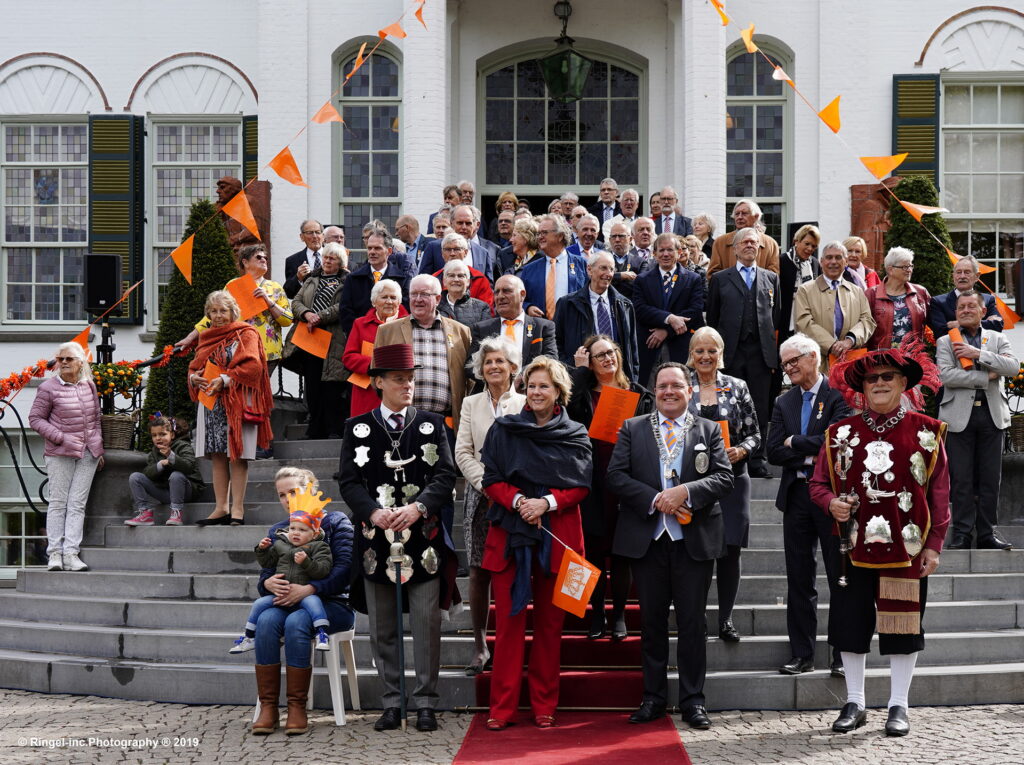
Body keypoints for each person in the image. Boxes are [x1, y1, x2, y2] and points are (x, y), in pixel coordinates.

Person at [811, 346, 950, 737]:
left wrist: (935, 543)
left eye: (888, 377)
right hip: (852, 549)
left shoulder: (928, 430)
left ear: (903, 383)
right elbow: (819, 484)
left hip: (908, 549)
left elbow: (940, 492)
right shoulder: (838, 434)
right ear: (862, 388)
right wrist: (831, 503)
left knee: (903, 628)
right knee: (850, 626)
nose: (880, 384)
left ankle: (898, 706)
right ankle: (854, 702)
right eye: (873, 379)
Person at [338, 343, 458, 733]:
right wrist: (373, 512)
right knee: (384, 627)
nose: (407, 385)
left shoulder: (431, 423)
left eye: (410, 379)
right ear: (378, 383)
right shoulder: (357, 427)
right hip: (376, 540)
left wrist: (419, 507)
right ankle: (393, 702)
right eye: (398, 379)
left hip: (423, 540)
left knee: (426, 625)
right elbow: (350, 481)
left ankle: (425, 703)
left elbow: (445, 474)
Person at [607, 362, 734, 729]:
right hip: (648, 539)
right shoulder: (633, 428)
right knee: (651, 622)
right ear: (654, 391)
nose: (668, 392)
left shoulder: (708, 430)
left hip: (692, 541)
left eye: (676, 385)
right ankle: (653, 698)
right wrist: (655, 498)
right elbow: (616, 475)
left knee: (693, 623)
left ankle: (694, 700)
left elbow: (724, 477)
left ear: (689, 390)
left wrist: (685, 493)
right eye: (662, 386)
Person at [480, 356, 592, 730]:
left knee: (549, 627)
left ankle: (544, 704)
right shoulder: (503, 429)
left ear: (559, 390)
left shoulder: (576, 433)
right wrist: (518, 501)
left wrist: (546, 503)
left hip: (556, 537)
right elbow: (491, 477)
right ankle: (502, 708)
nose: (537, 392)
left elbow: (580, 485)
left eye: (544, 385)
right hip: (510, 535)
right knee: (509, 627)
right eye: (531, 385)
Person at [766, 334, 850, 677]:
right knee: (799, 579)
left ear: (813, 357)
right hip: (797, 495)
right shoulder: (783, 403)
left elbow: (839, 439)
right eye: (785, 364)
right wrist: (812, 447)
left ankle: (842, 655)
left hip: (831, 496)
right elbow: (773, 451)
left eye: (793, 361)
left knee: (839, 576)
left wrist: (796, 442)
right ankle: (802, 653)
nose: (788, 369)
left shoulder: (838, 395)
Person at [251, 467, 354, 736]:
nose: (287, 499)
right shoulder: (278, 531)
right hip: (287, 603)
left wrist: (309, 589)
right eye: (281, 495)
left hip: (333, 605)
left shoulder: (336, 522)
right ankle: (269, 707)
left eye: (293, 492)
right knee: (265, 619)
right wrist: (267, 584)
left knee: (297, 621)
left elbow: (345, 571)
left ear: (312, 488)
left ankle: (297, 708)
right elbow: (266, 575)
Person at [568, 335, 653, 641]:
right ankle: (596, 614)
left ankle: (618, 614)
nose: (607, 359)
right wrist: (578, 371)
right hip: (591, 480)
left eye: (611, 352)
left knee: (621, 553)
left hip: (626, 483)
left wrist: (633, 435)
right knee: (591, 551)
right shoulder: (582, 393)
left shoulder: (639, 394)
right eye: (599, 355)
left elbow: (654, 432)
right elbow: (566, 411)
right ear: (590, 363)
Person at [454, 337, 526, 676]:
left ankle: (510, 643)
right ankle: (480, 646)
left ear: (513, 368)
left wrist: (508, 491)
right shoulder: (470, 404)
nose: (493, 367)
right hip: (479, 497)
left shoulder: (527, 402)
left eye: (500, 361)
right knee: (480, 570)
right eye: (488, 363)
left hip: (518, 496)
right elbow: (463, 452)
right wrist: (487, 485)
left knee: (513, 569)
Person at [685, 328, 760, 643]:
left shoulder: (737, 386)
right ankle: (697, 617)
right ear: (692, 353)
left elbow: (756, 434)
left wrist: (742, 449)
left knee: (730, 551)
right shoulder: (680, 384)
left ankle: (726, 618)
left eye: (711, 351)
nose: (705, 357)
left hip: (732, 479)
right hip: (693, 481)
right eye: (699, 351)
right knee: (697, 552)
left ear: (721, 353)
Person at [936, 291, 1017, 550]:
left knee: (991, 479)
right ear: (956, 313)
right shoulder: (945, 341)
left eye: (972, 306)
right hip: (958, 417)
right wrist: (985, 377)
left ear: (983, 312)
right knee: (960, 479)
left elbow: (1013, 367)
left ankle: (987, 534)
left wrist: (977, 353)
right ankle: (961, 534)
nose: (966, 310)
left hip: (992, 415)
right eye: (961, 307)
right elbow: (947, 377)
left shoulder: (997, 338)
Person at [187, 291, 273, 525]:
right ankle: (220, 507)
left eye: (223, 311)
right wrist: (194, 378)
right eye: (213, 311)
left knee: (237, 456)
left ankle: (237, 509)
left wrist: (225, 380)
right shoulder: (206, 337)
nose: (218, 316)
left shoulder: (247, 334)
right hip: (210, 402)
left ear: (233, 312)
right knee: (217, 455)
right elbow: (195, 367)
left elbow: (253, 369)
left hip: (237, 402)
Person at [706, 227, 781, 478]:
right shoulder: (720, 279)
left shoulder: (771, 279)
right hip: (731, 354)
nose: (750, 245)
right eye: (745, 242)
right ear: (735, 248)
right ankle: (727, 454)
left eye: (754, 242)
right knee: (729, 405)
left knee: (759, 406)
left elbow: (776, 317)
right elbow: (713, 318)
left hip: (761, 354)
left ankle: (757, 459)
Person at [29, 341, 104, 572]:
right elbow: (35, 419)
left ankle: (71, 554)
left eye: (68, 359)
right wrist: (61, 437)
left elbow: (96, 419)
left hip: (88, 453)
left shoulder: (88, 385)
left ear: (80, 362)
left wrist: (98, 448)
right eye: (60, 359)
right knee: (58, 504)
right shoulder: (48, 388)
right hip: (59, 452)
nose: (63, 362)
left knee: (77, 505)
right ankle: (54, 554)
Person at [232, 491, 333, 654]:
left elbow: (323, 570)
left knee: (315, 603)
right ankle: (249, 637)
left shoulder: (319, 547)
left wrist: (306, 562)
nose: (295, 532)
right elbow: (267, 564)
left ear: (314, 534)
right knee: (258, 604)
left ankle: (322, 633)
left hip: (305, 594)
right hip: (281, 594)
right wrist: (262, 550)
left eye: (302, 529)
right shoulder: (280, 545)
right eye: (292, 528)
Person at [177, 243, 293, 377]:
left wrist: (268, 301)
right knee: (240, 391)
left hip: (268, 353)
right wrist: (189, 338)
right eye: (258, 257)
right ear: (245, 262)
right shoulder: (233, 285)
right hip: (239, 349)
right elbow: (213, 316)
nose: (264, 260)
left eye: (265, 258)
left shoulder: (275, 287)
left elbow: (287, 320)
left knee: (258, 394)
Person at [374, 274, 472, 432]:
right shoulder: (387, 331)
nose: (417, 299)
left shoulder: (461, 332)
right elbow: (376, 377)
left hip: (446, 423)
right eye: (413, 294)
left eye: (425, 294)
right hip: (402, 421)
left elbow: (469, 379)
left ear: (438, 299)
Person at [282, 243, 349, 439]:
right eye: (326, 257)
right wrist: (307, 314)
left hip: (333, 340)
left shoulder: (347, 281)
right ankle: (315, 429)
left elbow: (342, 305)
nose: (328, 261)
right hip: (310, 340)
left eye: (333, 258)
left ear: (340, 262)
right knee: (313, 386)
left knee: (332, 387)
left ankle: (334, 429)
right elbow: (296, 302)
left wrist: (320, 316)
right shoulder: (312, 278)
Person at [633, 232, 706, 387]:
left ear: (679, 252)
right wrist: (670, 319)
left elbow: (695, 311)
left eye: (670, 250)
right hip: (649, 348)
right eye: (661, 250)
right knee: (651, 395)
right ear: (654, 254)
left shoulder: (693, 279)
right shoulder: (642, 280)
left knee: (680, 391)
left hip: (680, 347)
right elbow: (640, 309)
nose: (666, 254)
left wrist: (666, 331)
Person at [555, 251, 639, 382]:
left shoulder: (625, 305)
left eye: (611, 269)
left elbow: (632, 350)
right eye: (603, 268)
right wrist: (572, 369)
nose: (608, 274)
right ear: (589, 270)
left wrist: (633, 380)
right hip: (582, 380)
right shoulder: (567, 304)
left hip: (617, 380)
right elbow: (556, 343)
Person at [794, 241, 875, 370]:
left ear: (846, 262)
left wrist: (850, 340)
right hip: (816, 364)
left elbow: (867, 321)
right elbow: (803, 322)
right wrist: (832, 345)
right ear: (821, 261)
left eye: (838, 257)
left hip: (850, 363)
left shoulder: (857, 291)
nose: (833, 262)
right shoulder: (805, 290)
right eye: (829, 257)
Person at [466, 274, 558, 386]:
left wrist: (522, 376)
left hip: (529, 394)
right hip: (491, 396)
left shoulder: (543, 327)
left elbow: (551, 359)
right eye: (497, 292)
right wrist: (497, 380)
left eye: (506, 291)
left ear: (522, 295)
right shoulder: (481, 329)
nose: (500, 296)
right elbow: (470, 365)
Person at [343, 279, 408, 418]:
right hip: (367, 392)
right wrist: (376, 364)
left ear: (400, 301)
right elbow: (348, 357)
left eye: (393, 297)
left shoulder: (409, 325)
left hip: (399, 389)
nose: (389, 302)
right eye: (384, 297)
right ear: (374, 302)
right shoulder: (360, 324)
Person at [124, 415, 204, 527]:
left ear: (172, 434)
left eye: (162, 434)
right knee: (135, 477)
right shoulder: (154, 452)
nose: (158, 438)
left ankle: (176, 513)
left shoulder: (183, 446)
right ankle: (145, 513)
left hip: (187, 492)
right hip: (166, 493)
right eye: (154, 435)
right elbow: (148, 473)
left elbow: (189, 467)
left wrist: (170, 456)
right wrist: (160, 465)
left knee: (176, 475)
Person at [338, 229, 410, 333]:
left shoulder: (402, 279)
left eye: (377, 248)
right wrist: (358, 334)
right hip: (361, 338)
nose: (372, 252)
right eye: (369, 248)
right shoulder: (353, 278)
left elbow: (405, 311)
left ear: (389, 251)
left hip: (392, 337)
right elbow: (345, 311)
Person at [519, 214, 588, 319]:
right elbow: (519, 299)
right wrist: (528, 307)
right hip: (541, 329)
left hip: (573, 327)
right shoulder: (529, 269)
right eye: (539, 233)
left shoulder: (582, 264)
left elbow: (591, 295)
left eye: (545, 232)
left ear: (560, 236)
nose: (540, 237)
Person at [865, 247, 932, 350]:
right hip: (881, 359)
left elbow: (934, 321)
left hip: (914, 358)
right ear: (891, 269)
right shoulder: (871, 294)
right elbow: (864, 327)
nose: (909, 270)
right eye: (905, 267)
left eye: (911, 266)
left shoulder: (920, 293)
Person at [928, 254, 1004, 339]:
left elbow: (997, 325)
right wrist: (983, 323)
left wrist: (960, 324)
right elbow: (940, 333)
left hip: (983, 350)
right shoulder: (938, 302)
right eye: (958, 272)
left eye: (967, 272)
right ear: (953, 276)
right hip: (953, 350)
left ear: (977, 276)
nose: (962, 276)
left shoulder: (988, 299)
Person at [707, 199, 781, 278]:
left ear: (756, 217)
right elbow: (713, 274)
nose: (740, 217)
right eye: (737, 214)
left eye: (744, 213)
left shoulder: (771, 244)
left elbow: (773, 276)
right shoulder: (720, 242)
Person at [779, 225, 822, 344]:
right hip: (786, 320)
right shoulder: (781, 261)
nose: (810, 248)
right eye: (807, 243)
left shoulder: (814, 263)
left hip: (808, 319)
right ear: (796, 241)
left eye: (813, 246)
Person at [430, 232, 494, 308]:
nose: (452, 253)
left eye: (457, 249)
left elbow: (487, 309)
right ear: (442, 253)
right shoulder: (433, 279)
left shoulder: (479, 278)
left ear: (466, 252)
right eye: (448, 249)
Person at [438, 259, 491, 326]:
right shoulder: (435, 306)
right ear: (444, 281)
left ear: (468, 281)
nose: (456, 279)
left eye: (461, 276)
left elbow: (485, 335)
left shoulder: (482, 308)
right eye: (451, 275)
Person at [607, 220, 648, 302]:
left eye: (621, 236)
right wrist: (621, 276)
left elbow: (641, 286)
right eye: (614, 236)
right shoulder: (603, 259)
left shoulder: (641, 262)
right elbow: (598, 279)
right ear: (610, 239)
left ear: (630, 239)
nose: (617, 240)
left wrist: (611, 278)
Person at [283, 219, 325, 299]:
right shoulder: (292, 260)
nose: (315, 236)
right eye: (310, 233)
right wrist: (298, 278)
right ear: (302, 237)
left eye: (317, 232)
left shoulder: (334, 256)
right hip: (306, 308)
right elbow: (289, 293)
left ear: (323, 236)